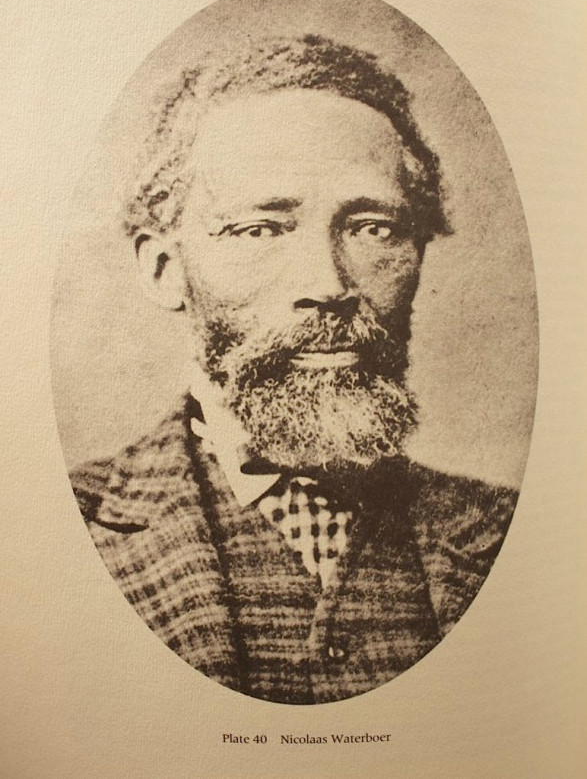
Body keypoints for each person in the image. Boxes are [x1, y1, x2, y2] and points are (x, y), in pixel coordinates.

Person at [71, 34, 517, 704]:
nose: (327, 285)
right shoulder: (57, 532)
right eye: (260, 229)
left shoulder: (512, 530)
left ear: (417, 251)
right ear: (164, 268)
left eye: (372, 228)